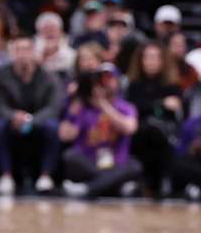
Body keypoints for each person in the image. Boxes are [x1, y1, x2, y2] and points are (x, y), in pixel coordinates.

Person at [56, 63, 140, 197]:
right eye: (101, 79)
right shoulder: (84, 107)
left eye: (109, 78)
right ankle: (115, 185)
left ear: (118, 82)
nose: (105, 83)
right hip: (90, 162)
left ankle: (88, 188)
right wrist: (73, 105)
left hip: (117, 161)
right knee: (70, 156)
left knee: (135, 166)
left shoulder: (126, 107)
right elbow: (64, 136)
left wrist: (103, 104)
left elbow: (130, 128)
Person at [0, 35, 62, 195]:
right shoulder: (1, 76)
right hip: (12, 122)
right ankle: (6, 175)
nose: (23, 54)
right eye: (19, 50)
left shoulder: (49, 77)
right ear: (12, 54)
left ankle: (46, 176)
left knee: (52, 127)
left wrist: (31, 119)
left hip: (38, 121)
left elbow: (53, 107)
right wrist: (13, 116)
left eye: (27, 50)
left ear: (34, 52)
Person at [124, 40, 185, 197]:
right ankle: (142, 181)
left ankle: (164, 180)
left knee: (157, 133)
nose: (151, 61)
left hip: (164, 132)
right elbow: (134, 107)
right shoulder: (134, 85)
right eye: (147, 57)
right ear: (141, 60)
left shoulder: (172, 85)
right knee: (146, 130)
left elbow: (175, 110)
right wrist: (160, 103)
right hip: (140, 132)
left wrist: (150, 106)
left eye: (155, 57)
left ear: (163, 60)